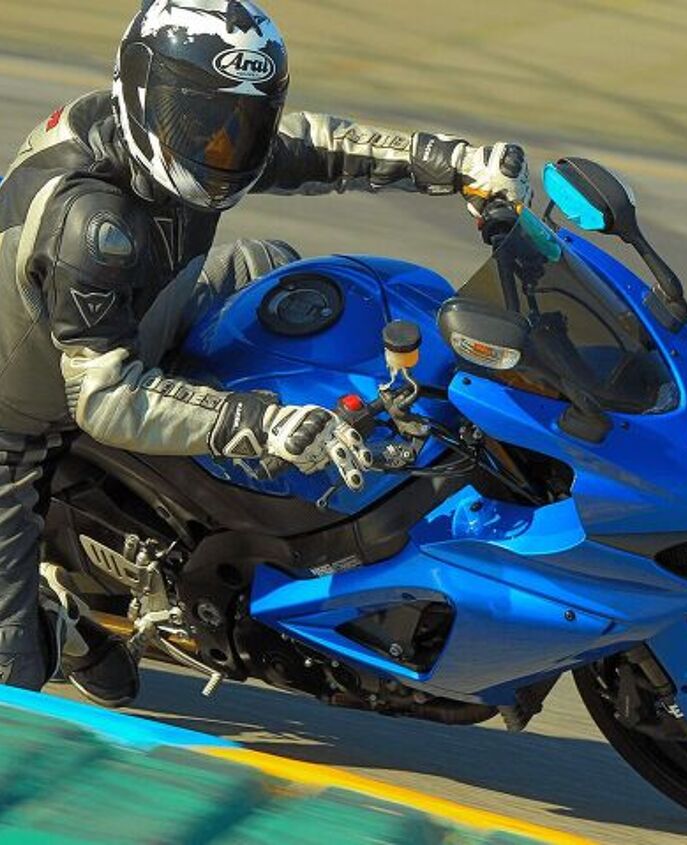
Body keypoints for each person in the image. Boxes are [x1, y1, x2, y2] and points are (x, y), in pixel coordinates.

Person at [0, 0, 532, 705]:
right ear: (142, 92)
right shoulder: (90, 224)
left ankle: (259, 535)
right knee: (15, 685)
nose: (224, 144)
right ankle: (62, 618)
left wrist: (455, 163)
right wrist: (263, 422)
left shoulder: (177, 129)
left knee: (274, 273)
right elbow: (105, 399)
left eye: (242, 123)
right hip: (23, 425)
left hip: (143, 316)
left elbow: (315, 146)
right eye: (202, 121)